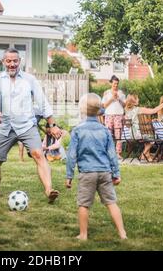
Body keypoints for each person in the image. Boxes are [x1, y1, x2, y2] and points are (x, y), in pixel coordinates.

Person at [0, 48, 61, 203]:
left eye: (15, 61)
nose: (12, 64)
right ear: (3, 62)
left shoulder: (29, 79)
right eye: (8, 61)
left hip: (27, 125)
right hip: (6, 127)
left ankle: (49, 190)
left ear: (20, 61)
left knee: (39, 155)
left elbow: (42, 102)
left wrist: (52, 124)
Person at [66, 93, 127, 241]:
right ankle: (122, 233)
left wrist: (69, 176)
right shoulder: (105, 130)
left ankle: (83, 235)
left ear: (82, 109)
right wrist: (116, 173)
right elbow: (112, 154)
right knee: (111, 203)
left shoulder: (77, 130)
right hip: (105, 172)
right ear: (99, 110)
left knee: (84, 204)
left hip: (87, 173)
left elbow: (71, 155)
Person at [124, 94, 163, 162]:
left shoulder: (126, 110)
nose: (139, 99)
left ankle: (147, 156)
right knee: (152, 138)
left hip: (131, 134)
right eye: (137, 98)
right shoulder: (139, 109)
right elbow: (153, 111)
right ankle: (143, 154)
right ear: (134, 101)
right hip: (139, 134)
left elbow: (127, 125)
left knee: (147, 139)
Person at [102, 75, 126, 159]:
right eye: (114, 83)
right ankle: (109, 153)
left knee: (118, 135)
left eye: (117, 84)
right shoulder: (106, 93)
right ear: (111, 83)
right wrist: (112, 99)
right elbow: (104, 105)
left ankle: (118, 153)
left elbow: (124, 105)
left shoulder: (121, 93)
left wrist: (118, 99)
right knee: (108, 135)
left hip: (119, 115)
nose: (116, 85)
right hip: (109, 115)